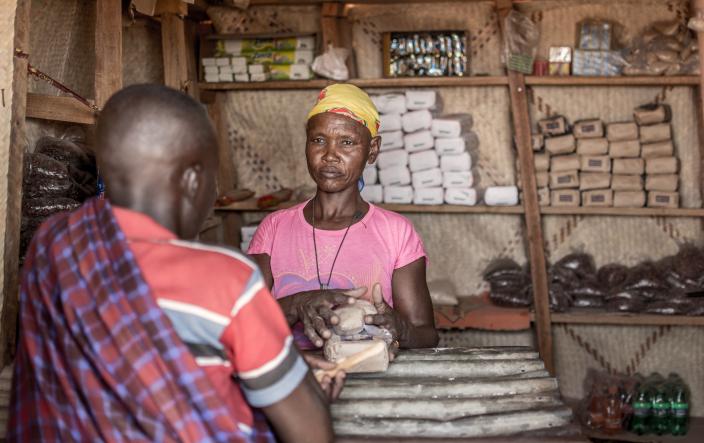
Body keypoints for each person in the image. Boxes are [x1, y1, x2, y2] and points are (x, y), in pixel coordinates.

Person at [9, 84, 335, 442]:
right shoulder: (227, 279)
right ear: (194, 179)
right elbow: (310, 433)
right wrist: (305, 390)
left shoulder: (54, 246)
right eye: (213, 178)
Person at [249, 84, 439, 355]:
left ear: (372, 150)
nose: (329, 155)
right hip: (292, 382)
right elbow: (240, 321)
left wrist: (401, 328)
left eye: (347, 142)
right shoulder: (275, 228)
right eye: (318, 140)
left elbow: (426, 334)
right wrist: (296, 303)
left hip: (369, 378)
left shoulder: (395, 232)